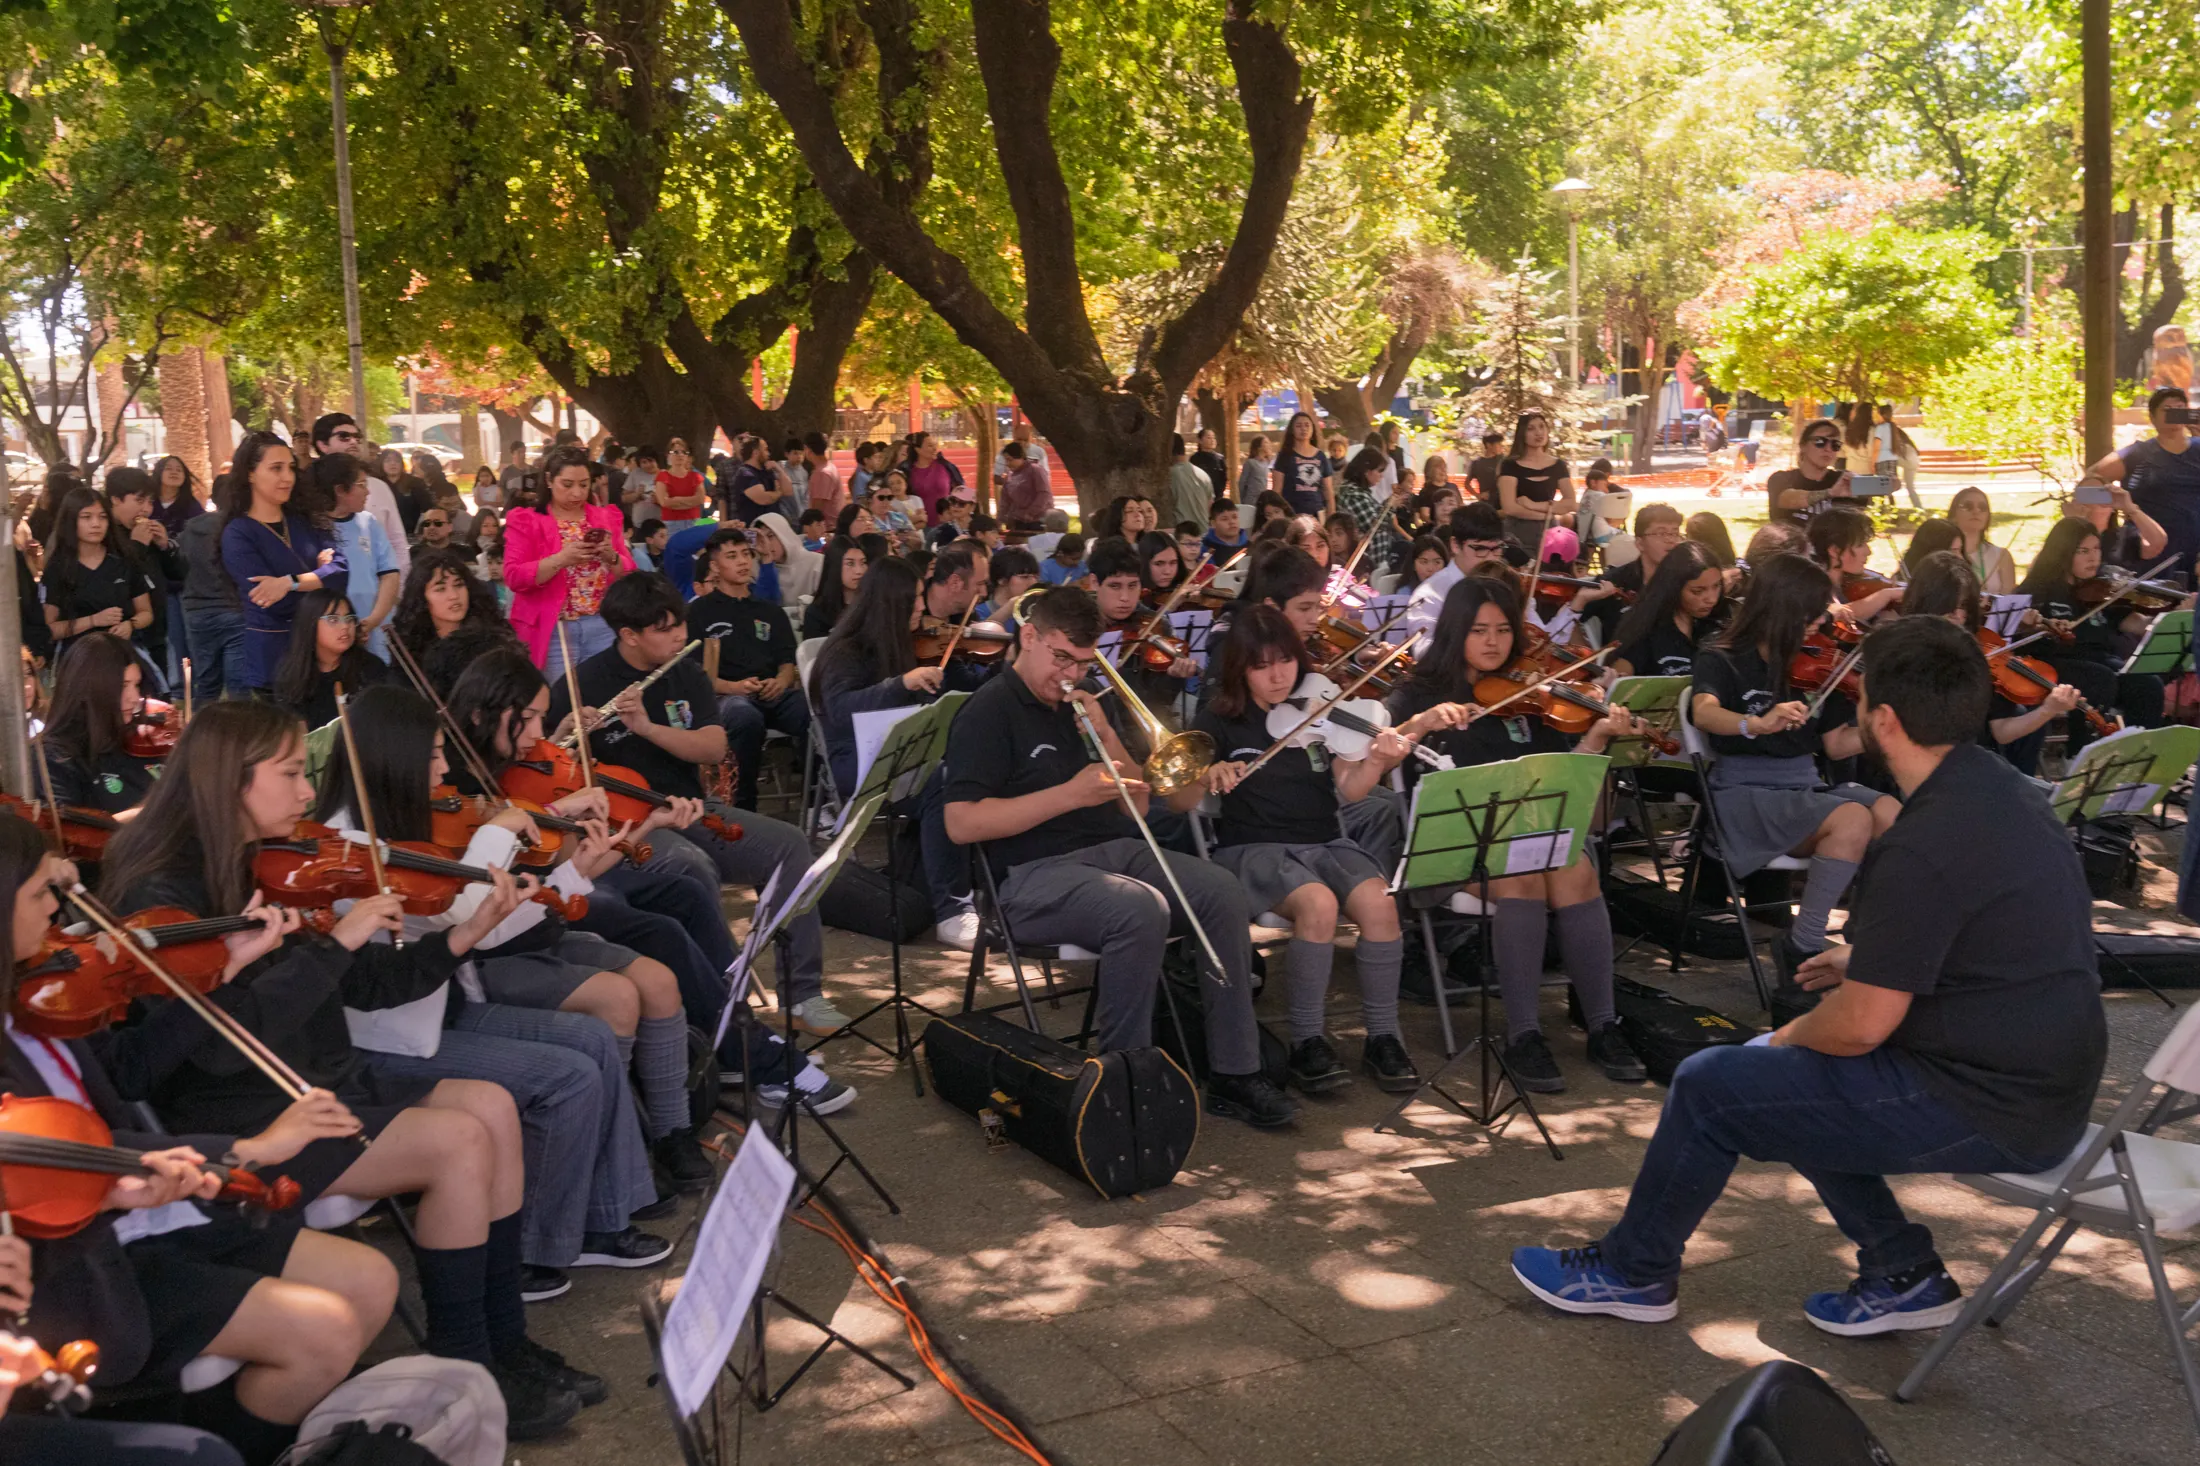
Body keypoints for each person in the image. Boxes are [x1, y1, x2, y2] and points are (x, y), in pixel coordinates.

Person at [1512, 616, 2105, 1337]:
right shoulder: (2004, 792)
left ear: (1882, 720)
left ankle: (1632, 1273)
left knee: (1720, 1082)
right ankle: (1899, 1269)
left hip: (1994, 1103)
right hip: (2046, 1077)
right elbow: (1999, 926)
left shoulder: (1922, 842)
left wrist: (1787, 1038)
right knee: (1792, 1085)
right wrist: (1869, 957)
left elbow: (1858, 1029)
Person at [91, 703, 596, 1436]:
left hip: (326, 1078)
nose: (306, 795)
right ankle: (467, 1365)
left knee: (491, 1107)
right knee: (458, 1141)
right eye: (291, 774)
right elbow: (203, 1049)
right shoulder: (165, 897)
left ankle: (505, 1345)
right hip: (245, 1113)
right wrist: (333, 945)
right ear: (230, 779)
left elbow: (365, 988)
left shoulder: (271, 865)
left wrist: (464, 938)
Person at [0, 823, 400, 1466]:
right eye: (37, 893)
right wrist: (248, 1149)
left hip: (138, 1211)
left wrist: (222, 969)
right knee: (324, 1330)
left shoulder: (33, 997)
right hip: (75, 1269)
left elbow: (123, 1079)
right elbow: (61, 1166)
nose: (57, 909)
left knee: (372, 1277)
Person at [310, 684, 704, 1230]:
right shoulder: (349, 849)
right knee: (572, 1065)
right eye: (432, 754)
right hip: (394, 1038)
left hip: (438, 1009)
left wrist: (573, 872)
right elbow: (462, 918)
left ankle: (608, 1208)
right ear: (392, 759)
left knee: (594, 1036)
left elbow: (485, 928)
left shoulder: (400, 824)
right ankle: (556, 1231)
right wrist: (495, 835)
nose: (445, 769)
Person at [940, 587, 1298, 1128]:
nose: (1070, 674)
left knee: (1221, 889)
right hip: (1027, 877)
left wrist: (1106, 731)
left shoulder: (1085, 700)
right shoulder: (987, 712)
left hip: (1115, 850)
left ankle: (1235, 1071)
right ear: (1029, 638)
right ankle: (1123, 1081)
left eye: (1084, 662)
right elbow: (960, 823)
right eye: (1062, 657)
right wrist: (1069, 795)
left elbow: (1139, 807)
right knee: (1139, 909)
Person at [545, 573, 849, 1035]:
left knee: (789, 845)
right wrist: (567, 735)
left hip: (687, 808)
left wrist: (648, 728)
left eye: (679, 624)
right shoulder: (583, 681)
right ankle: (728, 1010)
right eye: (664, 629)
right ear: (628, 635)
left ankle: (802, 994)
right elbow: (549, 772)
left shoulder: (684, 669)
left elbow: (711, 747)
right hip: (628, 829)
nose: (680, 635)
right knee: (691, 866)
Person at [1382, 577, 1650, 1091]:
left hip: (1527, 842)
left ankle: (1603, 1024)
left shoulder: (1533, 691)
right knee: (1523, 876)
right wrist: (1421, 722)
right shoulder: (1420, 690)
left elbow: (1573, 798)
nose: (1492, 642)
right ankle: (1523, 1033)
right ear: (1455, 630)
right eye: (1479, 629)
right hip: (1450, 849)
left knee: (1575, 866)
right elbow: (1379, 745)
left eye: (1503, 630)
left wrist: (1596, 737)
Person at [1176, 607, 1419, 1093]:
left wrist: (1377, 760)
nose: (1278, 675)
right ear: (1240, 669)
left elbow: (1349, 788)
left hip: (1325, 841)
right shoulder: (1220, 720)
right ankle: (1308, 1039)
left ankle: (1384, 1036)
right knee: (1318, 903)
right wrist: (1205, 774)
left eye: (1286, 660)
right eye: (1262, 665)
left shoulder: (1318, 709)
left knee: (1381, 903)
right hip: (1254, 851)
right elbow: (1176, 797)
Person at [1689, 553, 1900, 985]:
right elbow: (1704, 713)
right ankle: (1803, 944)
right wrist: (1756, 723)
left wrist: (1883, 725)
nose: (1820, 623)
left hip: (1803, 787)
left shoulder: (1813, 664)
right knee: (1852, 817)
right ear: (1781, 607)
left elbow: (1836, 747)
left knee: (1891, 813)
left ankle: (1868, 934)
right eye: (1810, 613)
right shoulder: (1722, 658)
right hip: (1744, 794)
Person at [1901, 550, 2078, 775]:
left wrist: (2049, 710)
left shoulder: (1976, 654)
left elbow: (2002, 730)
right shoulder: (1904, 651)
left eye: (1964, 606)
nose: (1958, 615)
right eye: (1948, 606)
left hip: (1976, 766)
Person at [216, 433, 347, 694]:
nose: (287, 477)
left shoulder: (304, 521)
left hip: (321, 656)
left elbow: (341, 574)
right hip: (275, 662)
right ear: (250, 473)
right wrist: (318, 575)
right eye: (276, 468)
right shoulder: (238, 533)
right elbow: (273, 602)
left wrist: (289, 582)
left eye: (290, 468)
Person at [2017, 517, 2167, 743]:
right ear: (2064, 552)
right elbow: (2018, 627)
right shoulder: (2039, 587)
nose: (2094, 557)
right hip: (2052, 662)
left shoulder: (2100, 589)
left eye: (2096, 549)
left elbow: (2136, 624)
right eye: (2083, 551)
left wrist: (2171, 616)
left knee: (2148, 683)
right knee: (2100, 679)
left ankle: (2139, 753)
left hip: (2099, 661)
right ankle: (2078, 753)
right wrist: (2036, 624)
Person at [690, 528, 809, 810]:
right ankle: (744, 807)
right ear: (715, 566)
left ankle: (820, 798)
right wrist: (734, 687)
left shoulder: (770, 610)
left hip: (772, 693)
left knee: (815, 708)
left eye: (746, 554)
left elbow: (787, 660)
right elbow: (696, 675)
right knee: (744, 717)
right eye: (732, 556)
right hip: (726, 696)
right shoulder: (698, 612)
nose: (743, 562)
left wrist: (781, 680)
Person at [504, 444, 633, 683]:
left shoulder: (605, 517)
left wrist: (611, 556)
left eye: (584, 484)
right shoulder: (527, 520)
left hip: (601, 624)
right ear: (549, 480)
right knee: (562, 704)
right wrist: (561, 560)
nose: (577, 493)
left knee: (603, 702)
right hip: (554, 629)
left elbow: (627, 569)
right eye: (568, 484)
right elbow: (514, 576)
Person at [2083, 384, 2200, 585]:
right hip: (2149, 551)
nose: (2175, 415)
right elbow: (2085, 492)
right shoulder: (2137, 454)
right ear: (2153, 418)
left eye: (2180, 409)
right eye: (2167, 410)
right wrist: (2117, 504)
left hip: (2194, 552)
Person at [44, 484, 160, 679]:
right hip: (78, 659)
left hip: (123, 655)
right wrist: (93, 621)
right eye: (86, 517)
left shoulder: (124, 562)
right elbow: (50, 628)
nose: (96, 524)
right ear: (71, 520)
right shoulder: (58, 568)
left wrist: (130, 625)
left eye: (102, 517)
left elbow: (146, 613)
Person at [40, 634, 162, 815]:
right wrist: (153, 809)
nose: (135, 698)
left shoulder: (138, 740)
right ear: (88, 688)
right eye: (123, 686)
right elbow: (68, 830)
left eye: (136, 685)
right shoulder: (53, 758)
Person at [391, 547, 521, 695]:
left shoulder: (495, 637)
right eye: (440, 589)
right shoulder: (409, 647)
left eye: (459, 585)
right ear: (421, 598)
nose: (453, 595)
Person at [314, 454, 400, 662]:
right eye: (361, 485)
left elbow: (390, 574)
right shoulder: (313, 528)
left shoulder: (368, 522)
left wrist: (372, 621)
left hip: (375, 625)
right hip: (334, 632)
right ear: (340, 490)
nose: (367, 491)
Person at [268, 590, 392, 730]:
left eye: (349, 619)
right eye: (333, 619)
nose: (345, 626)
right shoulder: (290, 673)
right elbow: (299, 736)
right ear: (310, 623)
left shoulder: (371, 667)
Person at [106, 468, 186, 684]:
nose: (147, 509)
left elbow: (178, 574)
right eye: (140, 500)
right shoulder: (105, 536)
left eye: (150, 502)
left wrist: (165, 546)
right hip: (125, 637)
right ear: (115, 499)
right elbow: (119, 583)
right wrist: (137, 546)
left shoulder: (145, 532)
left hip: (156, 631)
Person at [1404, 502, 1512, 652]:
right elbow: (1424, 650)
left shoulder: (1508, 584)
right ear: (1455, 545)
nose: (1491, 559)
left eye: (1497, 549)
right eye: (1480, 549)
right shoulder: (1430, 594)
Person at [310, 414, 409, 578]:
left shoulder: (378, 488)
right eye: (344, 437)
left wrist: (397, 590)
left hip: (380, 592)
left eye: (357, 437)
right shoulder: (308, 491)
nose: (353, 441)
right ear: (322, 444)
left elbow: (397, 542)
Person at [1610, 541, 1727, 680]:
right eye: (1697, 591)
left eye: (1716, 586)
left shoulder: (1721, 624)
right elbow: (1625, 664)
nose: (1712, 599)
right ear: (1674, 589)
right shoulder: (1648, 627)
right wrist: (1616, 678)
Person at [1495, 412, 1574, 559]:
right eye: (1531, 428)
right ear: (1522, 434)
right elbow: (1509, 507)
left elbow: (1570, 503)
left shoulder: (1558, 465)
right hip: (1517, 533)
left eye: (1542, 427)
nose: (1538, 432)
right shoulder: (1509, 465)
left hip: (1550, 532)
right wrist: (1546, 515)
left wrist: (1532, 504)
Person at [1807, 506, 1903, 623]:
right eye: (1860, 545)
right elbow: (1838, 615)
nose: (1869, 552)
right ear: (1834, 550)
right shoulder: (1813, 588)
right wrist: (1886, 595)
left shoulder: (1849, 582)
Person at [1767, 420, 1854, 525]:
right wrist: (1830, 493)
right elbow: (1788, 499)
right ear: (1803, 446)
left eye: (1835, 445)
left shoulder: (1843, 480)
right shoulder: (1781, 478)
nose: (1828, 449)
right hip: (1792, 541)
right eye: (1820, 442)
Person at [1944, 486, 2016, 593]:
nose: (1976, 511)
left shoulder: (2001, 556)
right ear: (1954, 514)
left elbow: (2008, 601)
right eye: (1968, 506)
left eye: (1983, 507)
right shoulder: (1941, 554)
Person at [802, 535, 867, 640]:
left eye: (863, 563)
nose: (859, 571)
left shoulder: (872, 604)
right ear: (834, 567)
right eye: (850, 563)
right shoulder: (817, 613)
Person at [1271, 412, 1333, 518]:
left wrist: (1331, 514)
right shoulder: (1284, 456)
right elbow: (1277, 491)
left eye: (1307, 425)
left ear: (1313, 429)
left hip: (1317, 514)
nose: (1303, 429)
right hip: (1292, 515)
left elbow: (1328, 490)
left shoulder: (1321, 456)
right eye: (1298, 426)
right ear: (1292, 430)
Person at [898, 431, 964, 524]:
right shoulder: (905, 470)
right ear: (918, 449)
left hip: (948, 524)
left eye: (935, 445)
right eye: (930, 446)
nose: (934, 449)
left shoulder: (946, 466)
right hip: (919, 526)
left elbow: (961, 490)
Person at [998, 440, 1053, 529]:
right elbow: (1005, 500)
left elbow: (1044, 494)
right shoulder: (1009, 475)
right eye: (1006, 460)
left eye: (1010, 460)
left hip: (1038, 520)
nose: (1007, 464)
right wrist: (1000, 519)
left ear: (1021, 457)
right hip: (1019, 520)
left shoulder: (1035, 470)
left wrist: (1030, 513)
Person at [651, 441, 708, 525]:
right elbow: (664, 502)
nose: (680, 454)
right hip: (671, 523)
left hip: (694, 521)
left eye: (684, 452)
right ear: (668, 455)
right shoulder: (663, 476)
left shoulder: (695, 476)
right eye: (676, 452)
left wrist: (676, 500)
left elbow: (700, 499)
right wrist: (690, 502)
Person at [978, 545, 1041, 621]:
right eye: (1025, 577)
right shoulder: (979, 612)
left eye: (1036, 577)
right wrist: (1010, 607)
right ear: (1001, 579)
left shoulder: (1034, 613)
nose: (1033, 582)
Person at [1166, 432, 1214, 530]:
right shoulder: (1203, 475)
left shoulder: (1169, 476)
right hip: (1203, 532)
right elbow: (1210, 506)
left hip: (1182, 536)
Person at [800, 433, 846, 525]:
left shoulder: (822, 473)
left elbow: (817, 508)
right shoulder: (829, 467)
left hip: (827, 528)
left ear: (807, 449)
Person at [1236, 434, 1275, 503]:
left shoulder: (1266, 462)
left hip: (1262, 500)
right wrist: (1242, 500)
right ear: (1259, 447)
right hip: (1251, 500)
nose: (1269, 444)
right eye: (1266, 442)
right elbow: (1242, 483)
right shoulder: (1250, 463)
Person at [1189, 427, 1229, 493]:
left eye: (1213, 438)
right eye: (1209, 438)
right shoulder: (1194, 459)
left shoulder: (1220, 458)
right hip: (1200, 495)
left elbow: (1224, 478)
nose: (1212, 440)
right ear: (1200, 440)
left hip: (1217, 496)